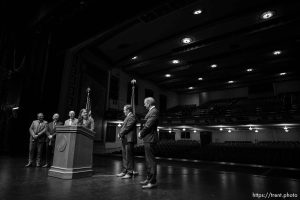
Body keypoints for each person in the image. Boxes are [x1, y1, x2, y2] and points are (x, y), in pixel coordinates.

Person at [138, 97, 159, 189]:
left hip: (150, 138)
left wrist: (141, 133)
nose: (144, 105)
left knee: (151, 161)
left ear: (149, 103)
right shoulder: (151, 111)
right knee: (148, 161)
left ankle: (152, 182)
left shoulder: (154, 111)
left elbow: (148, 125)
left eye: (145, 103)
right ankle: (149, 178)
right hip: (148, 138)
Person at [116, 105, 137, 179]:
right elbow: (124, 127)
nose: (123, 111)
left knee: (129, 156)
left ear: (128, 110)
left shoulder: (132, 116)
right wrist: (120, 134)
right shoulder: (127, 117)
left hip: (129, 139)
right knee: (125, 156)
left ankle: (129, 172)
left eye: (124, 110)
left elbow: (128, 127)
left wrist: (120, 133)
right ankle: (124, 171)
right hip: (125, 139)